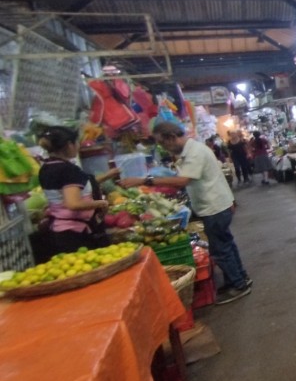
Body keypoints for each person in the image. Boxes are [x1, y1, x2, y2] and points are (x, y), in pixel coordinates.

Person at [120, 122, 252, 304]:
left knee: (221, 248)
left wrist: (145, 180)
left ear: (172, 137)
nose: (163, 147)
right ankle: (240, 278)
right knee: (226, 243)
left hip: (214, 206)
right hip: (217, 204)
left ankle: (238, 285)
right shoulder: (192, 150)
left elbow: (183, 181)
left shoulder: (194, 152)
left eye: (163, 143)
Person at [34, 126, 120, 263]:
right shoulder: (68, 170)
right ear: (69, 144)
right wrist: (101, 203)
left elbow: (77, 187)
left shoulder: (46, 168)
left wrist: (106, 176)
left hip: (59, 231)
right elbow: (73, 204)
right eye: (77, 142)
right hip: (75, 233)